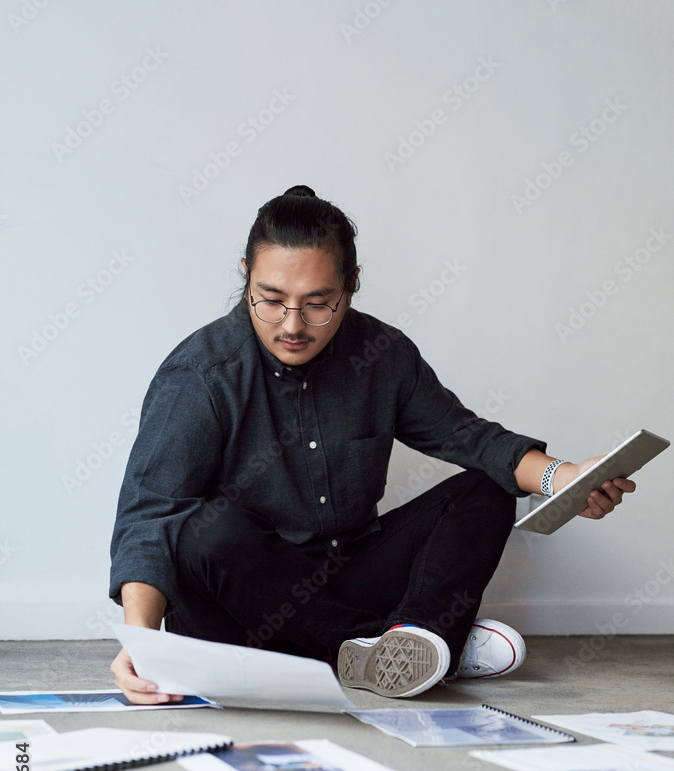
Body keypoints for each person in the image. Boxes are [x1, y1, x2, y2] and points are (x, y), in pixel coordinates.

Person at [109, 185, 635, 704]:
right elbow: (150, 516)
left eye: (318, 304)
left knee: (487, 489)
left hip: (346, 574)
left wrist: (563, 479)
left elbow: (467, 438)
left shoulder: (382, 355)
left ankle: (407, 642)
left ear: (352, 285)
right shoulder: (201, 373)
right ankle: (420, 642)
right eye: (271, 300)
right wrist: (144, 642)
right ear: (246, 274)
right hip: (242, 615)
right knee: (206, 532)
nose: (292, 325)